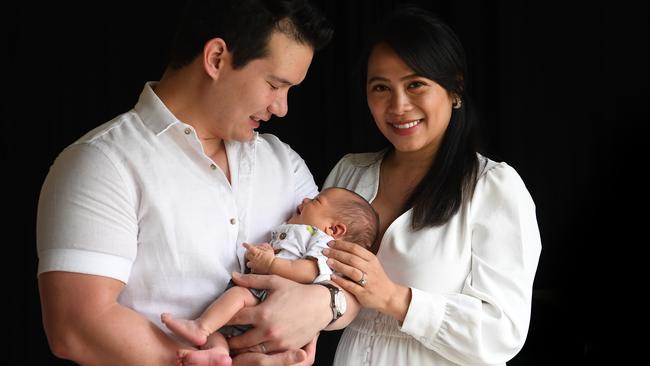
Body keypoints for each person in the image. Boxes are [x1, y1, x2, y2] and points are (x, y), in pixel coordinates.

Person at [35, 1, 350, 365]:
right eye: (275, 85)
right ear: (216, 58)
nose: (282, 108)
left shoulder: (283, 163)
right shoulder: (100, 163)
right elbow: (75, 328)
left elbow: (353, 278)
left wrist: (328, 303)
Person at [320, 7, 542, 366]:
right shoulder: (350, 174)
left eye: (415, 84)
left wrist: (394, 298)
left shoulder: (492, 188)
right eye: (381, 88)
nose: (398, 106)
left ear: (454, 88)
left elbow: (503, 332)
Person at [161, 187, 379, 366]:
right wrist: (266, 254)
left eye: (316, 200)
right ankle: (217, 354)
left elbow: (309, 270)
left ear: (335, 229)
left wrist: (271, 263)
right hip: (269, 303)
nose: (305, 199)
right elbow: (286, 257)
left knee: (237, 296)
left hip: (273, 297)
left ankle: (201, 326)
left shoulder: (321, 241)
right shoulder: (298, 231)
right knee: (225, 330)